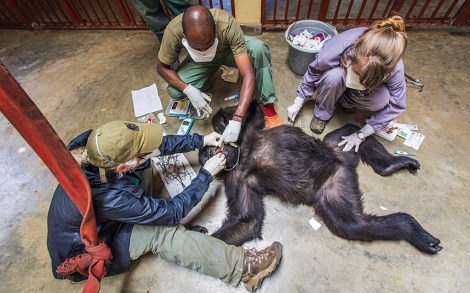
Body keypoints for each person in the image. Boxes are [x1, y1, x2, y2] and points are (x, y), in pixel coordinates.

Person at [47, 120, 283, 292]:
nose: (146, 153)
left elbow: (154, 147)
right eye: (138, 155)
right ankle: (243, 268)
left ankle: (144, 192)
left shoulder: (97, 146)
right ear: (121, 168)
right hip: (92, 244)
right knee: (162, 231)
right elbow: (171, 214)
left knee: (146, 163)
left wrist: (200, 140)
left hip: (104, 216)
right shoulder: (109, 196)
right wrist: (206, 174)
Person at [156, 5, 283, 146]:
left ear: (215, 31)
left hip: (228, 52)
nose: (204, 49)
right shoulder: (173, 31)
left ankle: (269, 106)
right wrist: (188, 89)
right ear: (184, 37)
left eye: (208, 44)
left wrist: (237, 118)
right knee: (175, 90)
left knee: (258, 49)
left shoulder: (227, 24)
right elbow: (161, 67)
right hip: (197, 60)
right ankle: (203, 81)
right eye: (198, 47)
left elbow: (248, 75)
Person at [287, 16, 408, 152]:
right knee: (333, 77)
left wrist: (363, 133)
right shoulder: (343, 45)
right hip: (339, 77)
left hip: (363, 91)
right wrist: (299, 101)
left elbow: (397, 104)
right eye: (357, 73)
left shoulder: (395, 67)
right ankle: (323, 112)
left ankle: (347, 103)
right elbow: (315, 70)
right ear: (354, 54)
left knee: (382, 99)